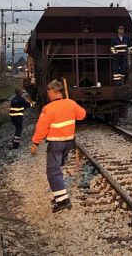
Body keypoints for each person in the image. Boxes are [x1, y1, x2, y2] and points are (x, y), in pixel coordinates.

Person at [30, 80, 86, 212]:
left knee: (52, 171)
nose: (48, 94)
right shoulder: (70, 103)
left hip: (56, 143)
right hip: (69, 142)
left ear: (53, 92)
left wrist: (35, 143)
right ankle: (59, 194)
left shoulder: (48, 108)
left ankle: (63, 201)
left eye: (49, 91)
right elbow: (82, 115)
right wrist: (71, 107)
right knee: (58, 168)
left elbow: (41, 128)